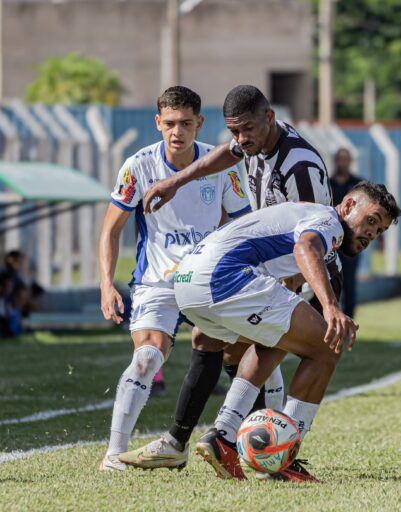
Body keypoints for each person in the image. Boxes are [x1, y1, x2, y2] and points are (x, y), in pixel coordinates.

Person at [121, 85, 334, 470]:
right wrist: (176, 181)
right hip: (273, 267)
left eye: (246, 130)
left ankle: (270, 453)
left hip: (305, 276)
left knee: (267, 352)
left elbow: (313, 238)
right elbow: (223, 156)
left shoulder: (298, 166)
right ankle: (198, 442)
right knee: (217, 341)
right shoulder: (255, 139)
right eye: (234, 131)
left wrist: (294, 290)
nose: (240, 140)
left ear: (269, 118)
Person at [180, 182, 401, 481]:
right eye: (371, 220)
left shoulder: (303, 216)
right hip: (223, 275)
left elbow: (291, 271)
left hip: (188, 283)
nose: (372, 233)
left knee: (281, 335)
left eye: (380, 230)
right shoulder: (328, 221)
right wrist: (330, 307)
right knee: (326, 345)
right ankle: (283, 454)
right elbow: (305, 246)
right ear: (348, 206)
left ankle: (223, 434)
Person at [97, 86, 251, 471]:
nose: (176, 132)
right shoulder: (138, 167)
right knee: (147, 358)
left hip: (208, 279)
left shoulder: (223, 165)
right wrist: (105, 284)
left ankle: (267, 439)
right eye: (169, 124)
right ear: (158, 123)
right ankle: (114, 454)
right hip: (158, 282)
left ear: (200, 123)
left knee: (252, 351)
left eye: (185, 123)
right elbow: (110, 231)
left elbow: (244, 223)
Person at [329, 148, 363, 318]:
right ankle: (331, 319)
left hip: (350, 242)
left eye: (346, 159)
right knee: (330, 282)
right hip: (330, 242)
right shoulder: (327, 184)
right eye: (340, 159)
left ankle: (349, 319)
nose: (343, 162)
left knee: (349, 282)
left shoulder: (359, 185)